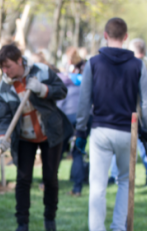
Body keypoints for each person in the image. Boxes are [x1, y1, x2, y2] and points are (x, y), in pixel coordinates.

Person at [75, 18, 147, 231]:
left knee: (98, 186)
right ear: (126, 36)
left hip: (101, 130)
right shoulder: (137, 65)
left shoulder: (93, 63)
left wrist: (80, 131)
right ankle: (118, 230)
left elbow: (83, 101)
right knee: (124, 182)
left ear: (104, 34)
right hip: (127, 131)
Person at [0, 44, 72, 231]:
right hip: (24, 138)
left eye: (8, 66)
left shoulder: (42, 71)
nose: (5, 71)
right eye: (2, 67)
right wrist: (2, 137)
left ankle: (50, 219)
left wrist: (42, 89)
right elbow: (3, 118)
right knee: (23, 179)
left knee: (50, 177)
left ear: (20, 61)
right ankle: (22, 224)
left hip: (50, 133)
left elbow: (61, 90)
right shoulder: (4, 88)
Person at [109, 38, 147, 186]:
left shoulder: (131, 66)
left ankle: (117, 176)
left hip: (132, 110)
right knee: (142, 145)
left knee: (121, 144)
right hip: (144, 110)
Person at [56, 47, 87, 197]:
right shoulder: (85, 75)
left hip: (66, 116)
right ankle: (77, 188)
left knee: (59, 150)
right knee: (78, 152)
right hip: (82, 116)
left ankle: (48, 182)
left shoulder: (63, 77)